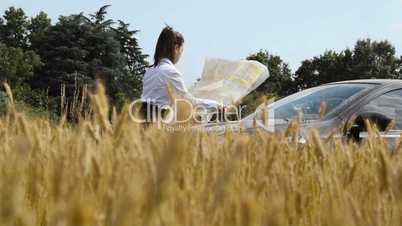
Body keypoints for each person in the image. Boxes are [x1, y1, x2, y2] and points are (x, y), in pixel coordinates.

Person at [140, 26, 222, 124]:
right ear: (176, 48)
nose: (180, 55)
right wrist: (216, 105)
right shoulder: (171, 71)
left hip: (142, 122)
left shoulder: (149, 71)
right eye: (181, 51)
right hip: (158, 123)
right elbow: (189, 102)